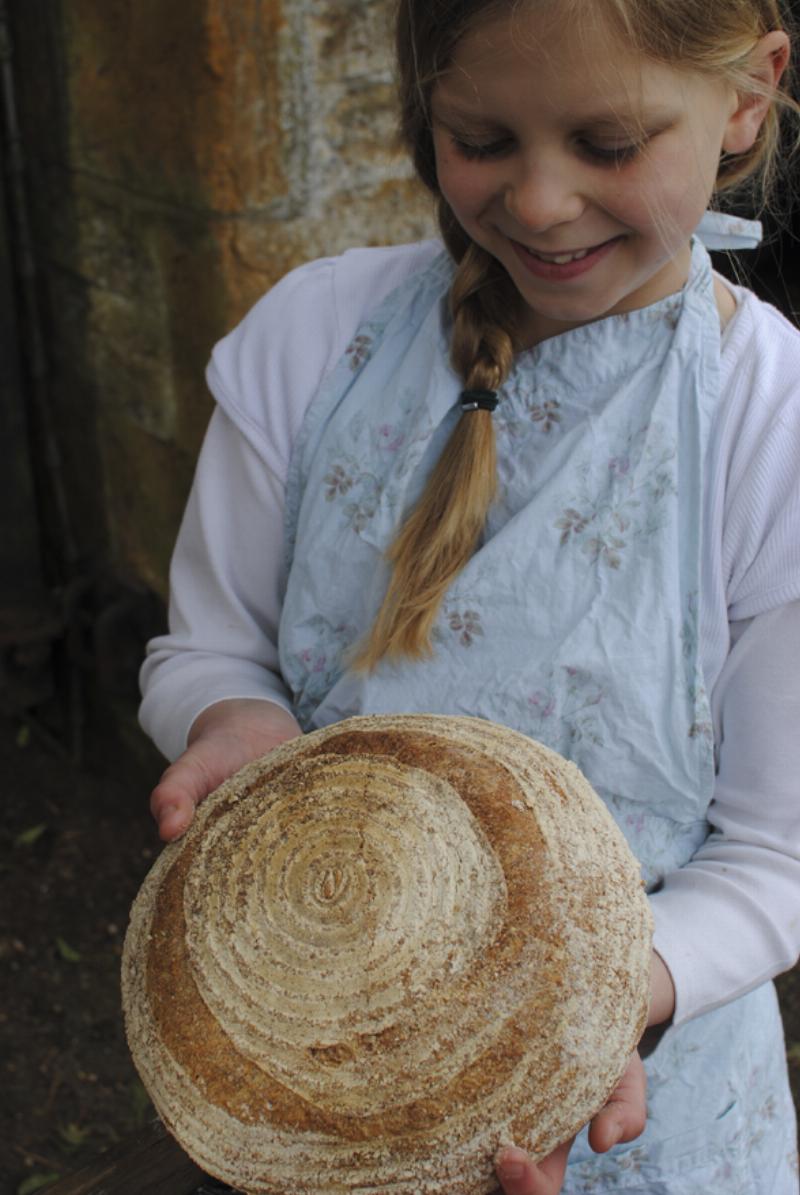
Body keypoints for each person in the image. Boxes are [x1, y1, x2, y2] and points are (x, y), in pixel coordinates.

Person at [140, 0, 800, 1190]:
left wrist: (594, 1010)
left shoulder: (770, 431)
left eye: (607, 145)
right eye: (481, 141)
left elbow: (774, 855)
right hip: (312, 1094)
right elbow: (208, 645)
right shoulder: (309, 339)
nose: (540, 203)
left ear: (746, 100)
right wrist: (229, 717)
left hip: (640, 1120)